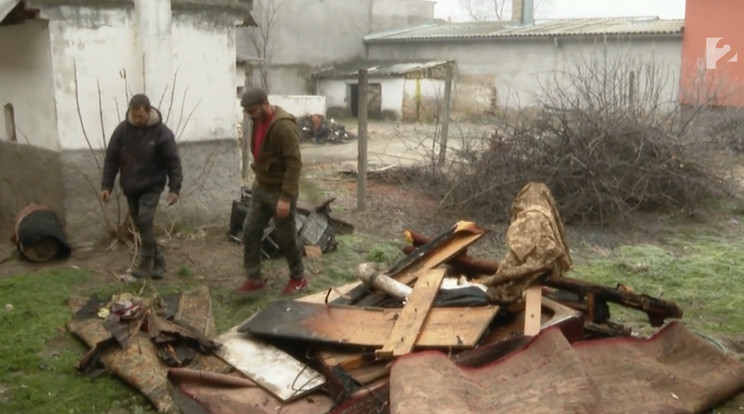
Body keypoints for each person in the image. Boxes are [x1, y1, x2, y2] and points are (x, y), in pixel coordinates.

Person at [100, 94, 183, 279]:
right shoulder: (122, 131)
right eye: (134, 115)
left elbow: (173, 162)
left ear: (148, 111)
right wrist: (106, 185)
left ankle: (146, 262)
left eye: (140, 116)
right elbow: (111, 159)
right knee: (141, 225)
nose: (137, 119)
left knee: (145, 219)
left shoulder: (162, 133)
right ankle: (159, 261)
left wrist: (174, 188)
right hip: (130, 186)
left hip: (152, 185)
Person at [236, 88, 309, 295]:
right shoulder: (257, 121)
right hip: (261, 187)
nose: (250, 115)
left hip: (280, 191)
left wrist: (285, 198)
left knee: (286, 237)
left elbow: (294, 164)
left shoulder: (283, 126)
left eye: (253, 110)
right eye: (248, 112)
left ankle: (298, 278)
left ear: (265, 104)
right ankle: (254, 278)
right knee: (250, 231)